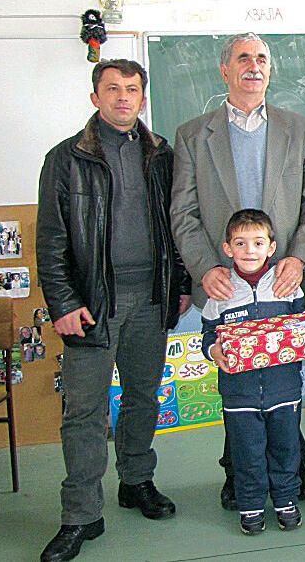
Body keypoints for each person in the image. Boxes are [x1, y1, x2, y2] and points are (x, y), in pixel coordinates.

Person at [36, 59, 191, 562]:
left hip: (150, 299)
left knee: (144, 397)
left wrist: (181, 285)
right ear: (95, 97)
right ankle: (81, 514)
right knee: (84, 413)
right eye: (112, 89)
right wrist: (62, 303)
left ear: (143, 98)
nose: (123, 98)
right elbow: (51, 240)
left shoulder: (163, 154)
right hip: (92, 306)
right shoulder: (65, 159)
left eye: (131, 89)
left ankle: (137, 481)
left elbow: (180, 225)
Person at [171, 33, 305, 511]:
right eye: (243, 58)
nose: (253, 66)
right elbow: (184, 211)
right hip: (225, 284)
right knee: (235, 383)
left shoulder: (299, 129)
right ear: (225, 70)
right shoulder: (193, 134)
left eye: (262, 58)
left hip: (283, 282)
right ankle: (238, 474)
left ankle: (291, 466)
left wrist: (298, 259)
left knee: (284, 383)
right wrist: (203, 270)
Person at [201, 210, 305, 536]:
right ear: (227, 248)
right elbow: (209, 335)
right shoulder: (220, 293)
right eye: (241, 243)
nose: (250, 250)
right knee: (246, 452)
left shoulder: (286, 286)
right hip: (239, 393)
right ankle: (250, 505)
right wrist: (214, 351)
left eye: (258, 243)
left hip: (283, 389)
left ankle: (286, 501)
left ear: (271, 247)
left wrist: (302, 341)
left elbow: (299, 328)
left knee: (285, 448)